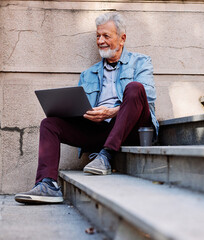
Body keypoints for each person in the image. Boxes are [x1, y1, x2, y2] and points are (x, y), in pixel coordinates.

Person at [14, 12, 159, 204]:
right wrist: (80, 113)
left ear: (122, 38)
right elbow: (79, 105)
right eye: (98, 36)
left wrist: (112, 111)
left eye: (106, 36)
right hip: (100, 129)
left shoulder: (140, 62)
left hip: (132, 128)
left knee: (135, 88)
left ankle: (106, 155)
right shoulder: (88, 73)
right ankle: (47, 183)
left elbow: (146, 98)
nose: (100, 41)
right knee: (49, 124)